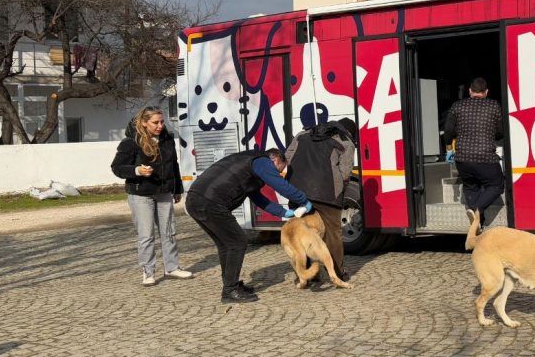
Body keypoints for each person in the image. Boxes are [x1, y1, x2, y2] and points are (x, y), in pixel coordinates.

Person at [185, 147, 312, 304]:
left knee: (226, 244)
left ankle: (231, 285)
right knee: (237, 242)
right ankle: (230, 291)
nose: (278, 173)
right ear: (276, 160)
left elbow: (259, 199)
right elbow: (280, 185)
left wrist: (283, 213)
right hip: (210, 202)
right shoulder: (262, 162)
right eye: (280, 169)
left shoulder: (249, 165)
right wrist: (303, 200)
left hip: (196, 199)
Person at [110, 106, 193, 286]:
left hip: (164, 192)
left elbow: (174, 165)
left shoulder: (167, 139)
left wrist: (177, 188)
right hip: (141, 194)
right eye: (155, 122)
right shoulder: (130, 142)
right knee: (146, 234)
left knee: (169, 231)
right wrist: (136, 170)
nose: (160, 126)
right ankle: (148, 271)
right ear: (144, 123)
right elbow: (116, 168)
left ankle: (172, 268)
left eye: (162, 122)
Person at [285, 117, 357, 281]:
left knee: (300, 231)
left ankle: (305, 273)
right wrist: (340, 188)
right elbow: (346, 173)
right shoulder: (346, 141)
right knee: (333, 233)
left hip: (297, 190)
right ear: (350, 132)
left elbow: (287, 157)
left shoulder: (302, 134)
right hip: (328, 192)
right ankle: (338, 273)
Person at [444, 77, 504, 227]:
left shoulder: (457, 106)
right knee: (496, 185)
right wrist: (491, 134)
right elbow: (501, 131)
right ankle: (477, 210)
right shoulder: (494, 106)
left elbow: (448, 131)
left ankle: (477, 222)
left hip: (463, 158)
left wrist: (449, 149)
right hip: (486, 158)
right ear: (486, 92)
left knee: (471, 186)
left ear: (470, 91)